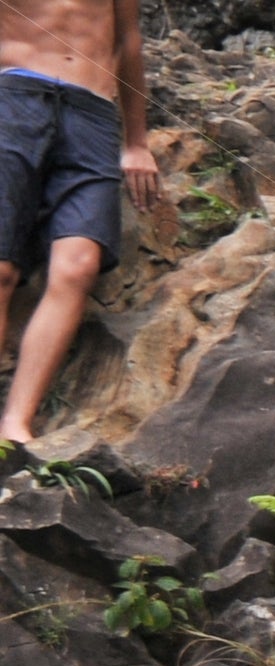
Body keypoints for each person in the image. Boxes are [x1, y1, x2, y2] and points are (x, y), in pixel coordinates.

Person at [0, 0, 155, 460]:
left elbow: (127, 40)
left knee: (79, 266)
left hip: (92, 114)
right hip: (13, 99)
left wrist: (137, 142)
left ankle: (15, 422)